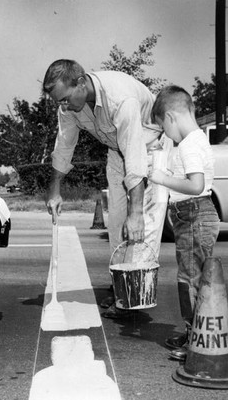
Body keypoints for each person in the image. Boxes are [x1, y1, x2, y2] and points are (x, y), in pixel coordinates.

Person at [42, 59, 172, 318]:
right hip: (116, 151)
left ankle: (136, 299)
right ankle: (122, 287)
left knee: (142, 227)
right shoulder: (68, 106)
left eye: (65, 98)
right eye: (58, 101)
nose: (63, 105)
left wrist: (136, 212)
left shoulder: (120, 98)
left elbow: (135, 155)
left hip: (149, 149)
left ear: (80, 83)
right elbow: (64, 145)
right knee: (116, 226)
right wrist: (55, 190)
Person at [149, 85, 220, 361]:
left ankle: (195, 340)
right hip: (195, 214)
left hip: (193, 214)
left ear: (170, 118)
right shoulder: (197, 139)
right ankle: (195, 332)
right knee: (195, 278)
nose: (165, 134)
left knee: (189, 280)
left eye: (163, 128)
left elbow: (196, 184)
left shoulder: (189, 144)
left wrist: (162, 178)